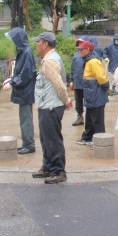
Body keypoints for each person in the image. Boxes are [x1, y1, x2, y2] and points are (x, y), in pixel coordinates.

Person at [31, 32, 71, 184]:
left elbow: (59, 84)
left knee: (52, 139)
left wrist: (66, 100)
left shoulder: (49, 61)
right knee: (46, 138)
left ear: (45, 44)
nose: (36, 45)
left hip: (51, 106)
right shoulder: (49, 59)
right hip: (47, 105)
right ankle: (48, 167)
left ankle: (58, 170)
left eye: (38, 42)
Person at [3, 27, 36, 155]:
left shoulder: (26, 52)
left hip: (26, 92)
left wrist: (12, 82)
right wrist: (11, 79)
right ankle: (27, 143)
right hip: (24, 91)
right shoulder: (23, 51)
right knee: (24, 119)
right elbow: (21, 71)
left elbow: (26, 74)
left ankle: (29, 145)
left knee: (26, 119)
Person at [76, 40, 109, 145]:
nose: (79, 51)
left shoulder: (93, 61)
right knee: (90, 118)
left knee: (97, 120)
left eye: (81, 49)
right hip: (91, 94)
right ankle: (88, 138)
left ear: (88, 50)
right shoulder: (87, 60)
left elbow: (101, 78)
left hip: (96, 94)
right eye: (79, 49)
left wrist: (106, 87)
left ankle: (100, 142)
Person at [70, 36, 88, 126]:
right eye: (79, 43)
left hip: (87, 84)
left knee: (88, 101)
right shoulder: (75, 56)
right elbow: (72, 69)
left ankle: (89, 118)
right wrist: (72, 80)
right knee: (78, 101)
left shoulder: (90, 56)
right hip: (77, 83)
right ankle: (80, 117)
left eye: (82, 43)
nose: (80, 45)